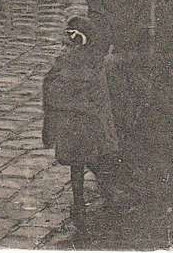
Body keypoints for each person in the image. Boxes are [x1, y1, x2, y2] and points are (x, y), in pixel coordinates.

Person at [42, 15, 120, 240]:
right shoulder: (95, 65)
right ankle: (104, 193)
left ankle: (80, 203)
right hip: (86, 126)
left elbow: (50, 91)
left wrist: (51, 123)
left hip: (72, 125)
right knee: (91, 161)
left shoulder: (64, 64)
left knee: (77, 165)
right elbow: (101, 102)